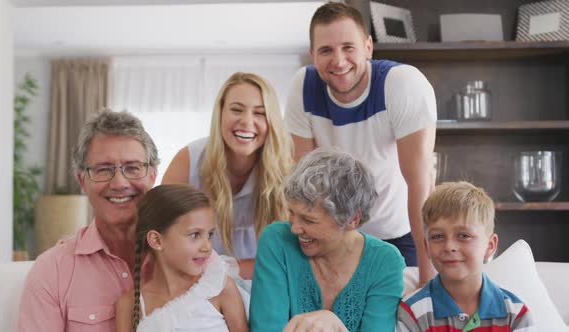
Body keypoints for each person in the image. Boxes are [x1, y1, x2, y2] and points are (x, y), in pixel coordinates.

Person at [284, 2, 437, 284]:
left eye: (348, 47)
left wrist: (429, 274)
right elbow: (304, 186)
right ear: (312, 55)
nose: (339, 61)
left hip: (400, 233)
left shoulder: (402, 84)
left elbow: (420, 183)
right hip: (337, 235)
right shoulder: (302, 89)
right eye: (326, 50)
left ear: (368, 46)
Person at [17, 110, 159, 331]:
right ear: (82, 181)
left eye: (133, 168)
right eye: (104, 169)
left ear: (152, 175)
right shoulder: (52, 271)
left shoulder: (189, 255)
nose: (119, 182)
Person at [250, 148, 405, 331]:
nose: (294, 228)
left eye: (309, 220)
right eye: (291, 212)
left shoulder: (385, 262)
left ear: (352, 219)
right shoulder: (276, 241)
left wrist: (335, 326)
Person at [162, 72, 294, 279]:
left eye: (260, 113)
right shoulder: (188, 160)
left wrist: (225, 270)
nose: (247, 121)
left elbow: (292, 259)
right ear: (220, 113)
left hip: (263, 283)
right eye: (236, 110)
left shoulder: (286, 171)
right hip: (194, 283)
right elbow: (163, 243)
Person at [396, 182, 534, 331]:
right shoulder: (412, 312)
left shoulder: (516, 314)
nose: (449, 246)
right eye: (437, 236)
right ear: (426, 246)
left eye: (463, 235)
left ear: (490, 245)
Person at [115, 184, 248, 332]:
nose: (207, 247)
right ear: (157, 240)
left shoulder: (219, 287)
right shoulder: (130, 305)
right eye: (194, 235)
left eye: (209, 235)